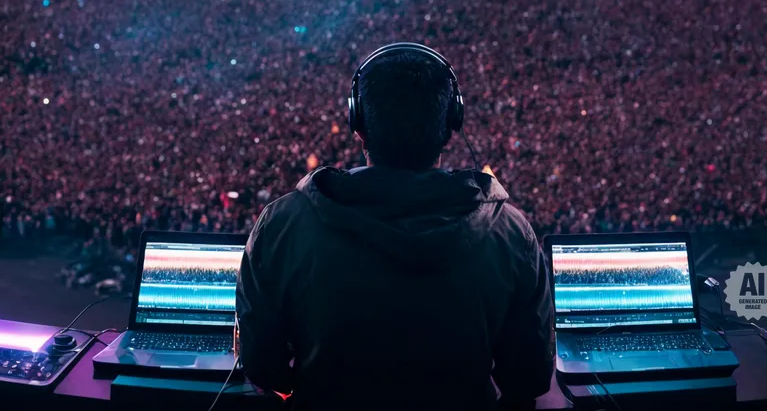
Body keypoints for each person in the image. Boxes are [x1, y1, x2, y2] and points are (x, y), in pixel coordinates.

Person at [236, 42, 554, 410]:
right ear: (452, 123)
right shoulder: (512, 233)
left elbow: (261, 365)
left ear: (358, 124)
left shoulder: (283, 224)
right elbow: (529, 376)